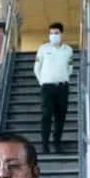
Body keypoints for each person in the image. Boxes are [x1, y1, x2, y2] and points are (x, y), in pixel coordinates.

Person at [34, 22, 73, 154]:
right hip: (47, 88)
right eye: (51, 33)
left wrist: (63, 78)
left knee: (60, 117)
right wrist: (42, 82)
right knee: (46, 115)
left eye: (56, 33)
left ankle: (57, 143)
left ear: (61, 34)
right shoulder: (43, 48)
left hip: (62, 88)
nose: (53, 35)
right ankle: (45, 145)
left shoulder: (68, 50)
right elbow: (36, 68)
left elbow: (70, 67)